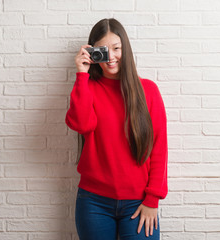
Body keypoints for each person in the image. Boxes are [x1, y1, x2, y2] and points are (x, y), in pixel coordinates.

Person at [65, 18, 168, 240]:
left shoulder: (147, 91)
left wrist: (153, 200)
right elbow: (81, 124)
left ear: (126, 50)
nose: (110, 57)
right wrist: (81, 74)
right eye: (103, 50)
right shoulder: (88, 88)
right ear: (93, 53)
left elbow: (159, 148)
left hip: (139, 202)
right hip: (93, 202)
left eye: (116, 48)